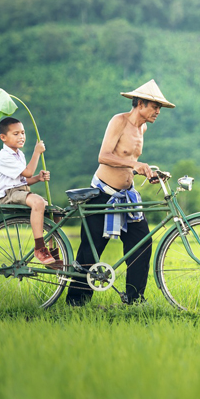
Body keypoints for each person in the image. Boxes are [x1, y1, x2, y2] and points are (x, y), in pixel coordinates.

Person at [66, 79, 175, 306]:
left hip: (127, 195)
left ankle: (135, 299)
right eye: (155, 107)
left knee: (141, 243)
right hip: (103, 193)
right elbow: (104, 156)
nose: (158, 111)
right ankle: (76, 302)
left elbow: (130, 162)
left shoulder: (142, 128)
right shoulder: (119, 121)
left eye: (160, 108)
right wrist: (134, 165)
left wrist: (147, 171)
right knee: (90, 250)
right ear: (141, 104)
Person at [0, 116, 57, 265]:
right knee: (39, 202)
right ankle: (40, 247)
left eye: (23, 133)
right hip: (9, 194)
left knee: (55, 212)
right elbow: (27, 172)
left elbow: (24, 180)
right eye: (16, 134)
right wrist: (37, 153)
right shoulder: (4, 156)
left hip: (20, 191)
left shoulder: (19, 154)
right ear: (3, 137)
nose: (21, 137)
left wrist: (38, 178)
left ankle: (54, 250)